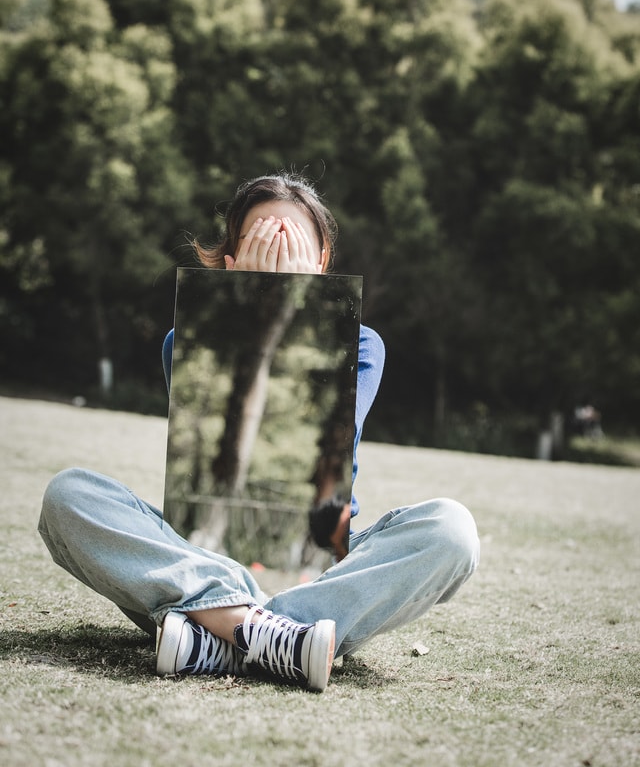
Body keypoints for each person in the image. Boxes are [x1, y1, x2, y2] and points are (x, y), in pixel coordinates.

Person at [39, 173, 480, 693]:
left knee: (452, 531)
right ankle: (276, 639)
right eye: (261, 245)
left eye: (289, 249)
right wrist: (249, 304)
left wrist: (293, 305)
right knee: (69, 496)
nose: (277, 263)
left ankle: (217, 635)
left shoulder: (363, 347)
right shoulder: (184, 341)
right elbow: (220, 462)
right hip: (199, 558)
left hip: (320, 567)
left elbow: (315, 452)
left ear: (320, 267)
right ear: (230, 263)